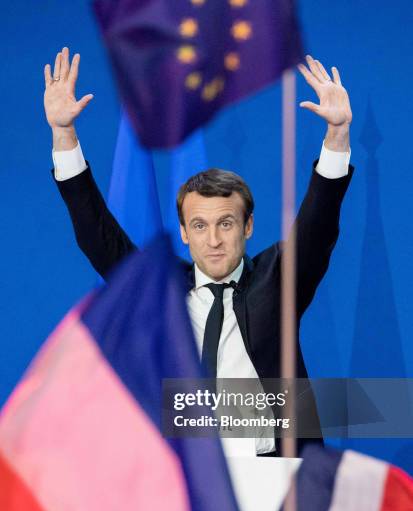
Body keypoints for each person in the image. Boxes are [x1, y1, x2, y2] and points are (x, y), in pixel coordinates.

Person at [44, 48, 353, 457]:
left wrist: (337, 135)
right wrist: (64, 135)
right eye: (200, 226)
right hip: (188, 479)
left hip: (276, 475)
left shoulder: (279, 279)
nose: (214, 240)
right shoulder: (161, 289)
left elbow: (318, 223)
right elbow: (97, 235)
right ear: (185, 234)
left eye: (226, 223)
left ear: (247, 227)